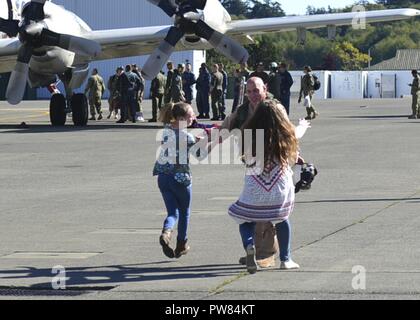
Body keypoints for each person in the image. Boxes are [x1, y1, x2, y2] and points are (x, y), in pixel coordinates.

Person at [228, 99, 300, 274]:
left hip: (255, 183)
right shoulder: (286, 133)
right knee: (282, 218)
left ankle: (249, 245)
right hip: (279, 183)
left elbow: (245, 158)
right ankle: (285, 259)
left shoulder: (249, 133)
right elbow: (293, 158)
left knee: (244, 219)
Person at [153, 102, 198, 259]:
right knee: (185, 212)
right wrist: (209, 142)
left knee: (172, 212)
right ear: (180, 117)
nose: (194, 117)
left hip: (163, 177)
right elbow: (200, 155)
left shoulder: (166, 131)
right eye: (190, 115)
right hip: (180, 178)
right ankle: (181, 244)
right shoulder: (188, 136)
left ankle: (166, 232)